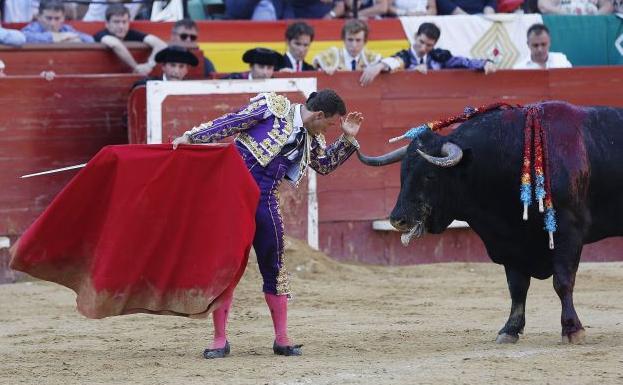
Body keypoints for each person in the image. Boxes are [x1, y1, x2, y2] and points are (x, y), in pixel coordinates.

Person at [171, 89, 363, 358]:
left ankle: (282, 339)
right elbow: (231, 122)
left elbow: (325, 165)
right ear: (319, 115)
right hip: (232, 198)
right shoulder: (273, 108)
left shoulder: (312, 138)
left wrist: (347, 138)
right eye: (330, 124)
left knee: (274, 263)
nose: (328, 130)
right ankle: (219, 339)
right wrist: (192, 137)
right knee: (224, 266)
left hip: (265, 203)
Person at [360, 22, 496, 86]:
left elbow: (462, 62)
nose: (423, 48)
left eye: (429, 45)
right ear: (415, 36)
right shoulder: (405, 56)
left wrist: (484, 63)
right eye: (421, 42)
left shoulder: (439, 56)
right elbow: (395, 62)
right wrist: (379, 66)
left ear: (434, 44)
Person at [93, 4, 167, 76]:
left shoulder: (131, 33)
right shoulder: (101, 34)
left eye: (124, 22)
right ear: (107, 24)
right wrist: (136, 67)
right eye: (116, 22)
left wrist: (149, 65)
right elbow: (115, 44)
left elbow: (161, 44)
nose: (121, 26)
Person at [313, 19, 382, 75]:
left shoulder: (371, 58)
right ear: (343, 39)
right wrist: (324, 69)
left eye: (358, 40)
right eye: (350, 40)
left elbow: (389, 63)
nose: (354, 45)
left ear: (365, 41)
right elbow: (316, 63)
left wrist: (379, 67)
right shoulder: (332, 55)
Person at [21, 0, 93, 43]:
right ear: (39, 17)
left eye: (57, 18)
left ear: (63, 18)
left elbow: (90, 39)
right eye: (49, 18)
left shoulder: (65, 29)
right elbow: (24, 37)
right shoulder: (33, 28)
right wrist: (57, 37)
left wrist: (75, 38)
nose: (53, 23)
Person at [132, 45, 199, 88]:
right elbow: (138, 87)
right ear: (163, 67)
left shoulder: (190, 87)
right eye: (172, 65)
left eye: (181, 67)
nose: (176, 71)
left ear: (186, 70)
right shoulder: (149, 84)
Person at [537, 0, 613, 14]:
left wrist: (594, 18)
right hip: (565, 25)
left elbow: (608, 6)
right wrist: (563, 14)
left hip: (591, 26)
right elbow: (543, 5)